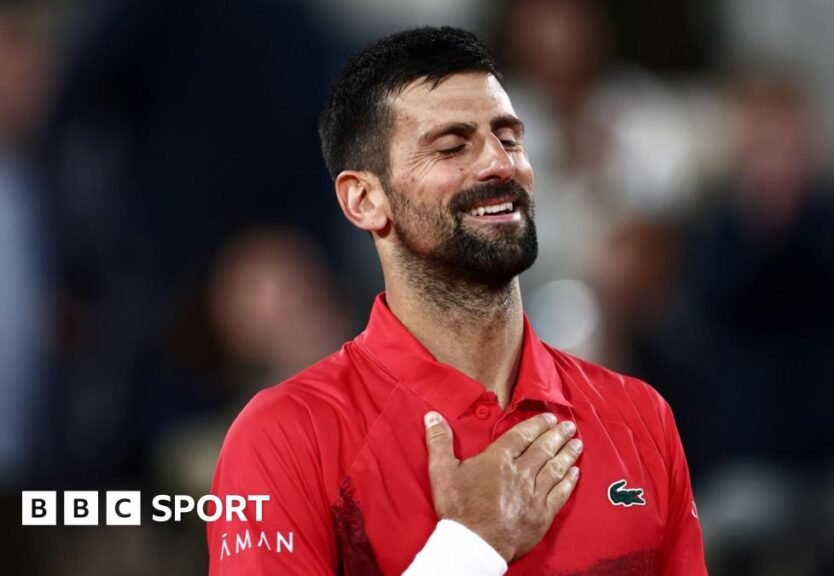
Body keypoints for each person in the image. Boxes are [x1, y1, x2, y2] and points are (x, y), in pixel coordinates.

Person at [207, 27, 706, 575]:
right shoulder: (285, 437)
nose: (500, 164)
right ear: (365, 199)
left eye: (510, 138)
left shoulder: (640, 418)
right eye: (452, 146)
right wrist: (471, 546)